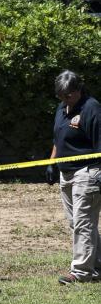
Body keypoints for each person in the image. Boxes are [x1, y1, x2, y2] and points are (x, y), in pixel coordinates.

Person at [46, 70, 101, 284]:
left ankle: (80, 272)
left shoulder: (92, 109)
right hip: (65, 173)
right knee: (75, 222)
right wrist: (52, 163)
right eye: (60, 96)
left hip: (88, 172)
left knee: (83, 222)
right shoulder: (62, 108)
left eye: (68, 95)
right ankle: (96, 265)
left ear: (78, 90)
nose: (64, 99)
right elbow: (58, 138)